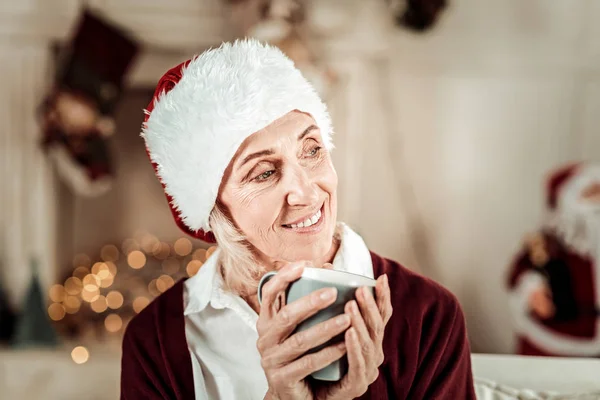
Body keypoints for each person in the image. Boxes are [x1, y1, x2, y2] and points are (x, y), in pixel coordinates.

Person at [120, 39, 476, 399]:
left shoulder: (429, 316)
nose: (307, 193)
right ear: (216, 208)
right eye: (263, 173)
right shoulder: (155, 342)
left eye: (312, 150)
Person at [507, 162, 600, 357]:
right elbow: (519, 273)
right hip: (562, 335)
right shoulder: (548, 243)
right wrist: (533, 289)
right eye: (592, 193)